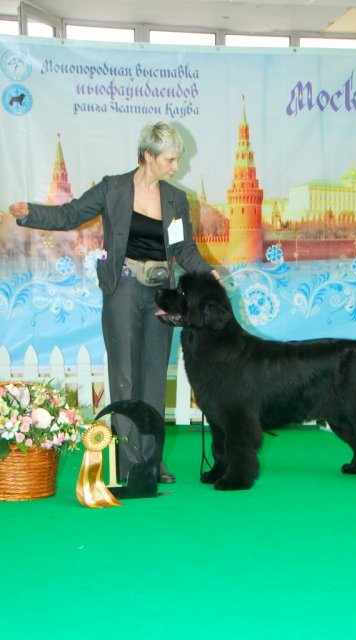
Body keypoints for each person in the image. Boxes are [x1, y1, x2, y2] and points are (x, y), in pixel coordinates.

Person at [9, 121, 219, 486]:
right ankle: (127, 464)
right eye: (170, 160)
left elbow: (184, 249)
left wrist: (207, 273)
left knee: (154, 378)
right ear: (149, 156)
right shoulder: (114, 188)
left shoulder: (175, 199)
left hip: (161, 295)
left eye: (177, 160)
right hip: (122, 290)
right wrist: (30, 212)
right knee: (124, 379)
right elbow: (70, 214)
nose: (176, 167)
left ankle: (152, 463)